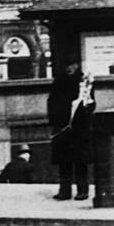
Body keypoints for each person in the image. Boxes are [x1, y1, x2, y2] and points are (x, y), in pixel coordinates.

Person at [47, 62, 94, 200]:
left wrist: (87, 106)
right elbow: (52, 101)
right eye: (68, 65)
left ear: (77, 66)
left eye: (73, 65)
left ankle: (82, 190)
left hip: (79, 127)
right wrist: (55, 119)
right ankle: (65, 190)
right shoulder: (59, 81)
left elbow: (92, 103)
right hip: (63, 127)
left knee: (80, 162)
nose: (69, 68)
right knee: (64, 162)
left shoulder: (84, 82)